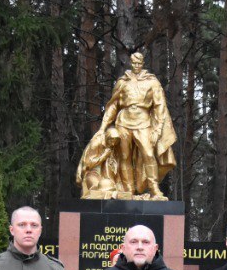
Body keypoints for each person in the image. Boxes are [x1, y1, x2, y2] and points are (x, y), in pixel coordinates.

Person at [75, 52, 177, 200]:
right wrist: (103, 128)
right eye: (134, 63)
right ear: (130, 63)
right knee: (124, 157)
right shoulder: (122, 82)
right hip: (123, 122)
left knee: (148, 154)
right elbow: (113, 106)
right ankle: (128, 191)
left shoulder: (152, 82)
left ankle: (154, 188)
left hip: (144, 122)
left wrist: (158, 129)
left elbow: (160, 106)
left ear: (143, 64)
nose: (136, 66)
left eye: (139, 64)